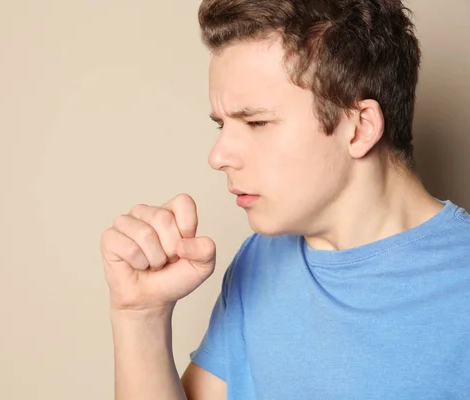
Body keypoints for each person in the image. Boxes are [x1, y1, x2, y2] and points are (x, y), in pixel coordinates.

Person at [99, 0, 470, 399]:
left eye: (256, 122)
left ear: (360, 128)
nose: (218, 156)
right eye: (222, 124)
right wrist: (141, 316)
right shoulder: (261, 258)